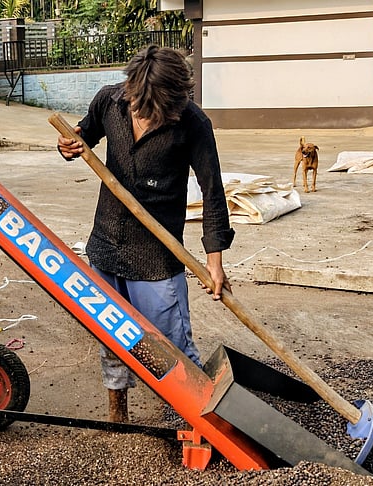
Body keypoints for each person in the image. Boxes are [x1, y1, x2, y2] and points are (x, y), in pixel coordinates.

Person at [56, 45, 234, 423]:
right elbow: (83, 136)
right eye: (138, 105)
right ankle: (117, 414)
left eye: (153, 111)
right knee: (111, 336)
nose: (141, 114)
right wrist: (69, 145)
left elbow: (213, 193)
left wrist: (214, 260)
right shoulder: (109, 101)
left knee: (171, 347)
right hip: (106, 243)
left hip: (157, 256)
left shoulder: (193, 123)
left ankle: (191, 421)